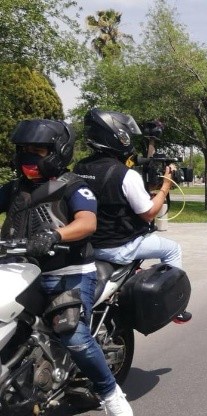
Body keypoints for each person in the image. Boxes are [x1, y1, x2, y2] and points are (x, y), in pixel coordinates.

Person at [0, 119, 133, 415]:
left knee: (72, 333)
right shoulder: (13, 190)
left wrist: (55, 235)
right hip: (20, 270)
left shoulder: (75, 188)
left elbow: (87, 222)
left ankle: (112, 395)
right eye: (24, 150)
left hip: (67, 273)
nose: (29, 157)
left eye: (39, 150)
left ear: (58, 152)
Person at [73, 108, 191, 323]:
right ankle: (177, 307)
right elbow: (149, 213)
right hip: (117, 246)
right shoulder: (125, 175)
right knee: (173, 249)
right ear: (119, 136)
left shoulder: (79, 167)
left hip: (87, 243)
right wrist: (165, 187)